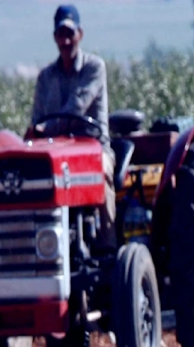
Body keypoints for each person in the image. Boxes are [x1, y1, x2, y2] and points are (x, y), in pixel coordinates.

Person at [29, 4, 116, 251]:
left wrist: (45, 128)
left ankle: (107, 247)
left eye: (70, 34)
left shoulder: (94, 68)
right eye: (61, 34)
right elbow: (37, 120)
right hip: (56, 153)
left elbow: (76, 107)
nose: (66, 41)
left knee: (98, 172)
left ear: (80, 34)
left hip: (92, 147)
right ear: (54, 37)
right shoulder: (46, 77)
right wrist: (35, 133)